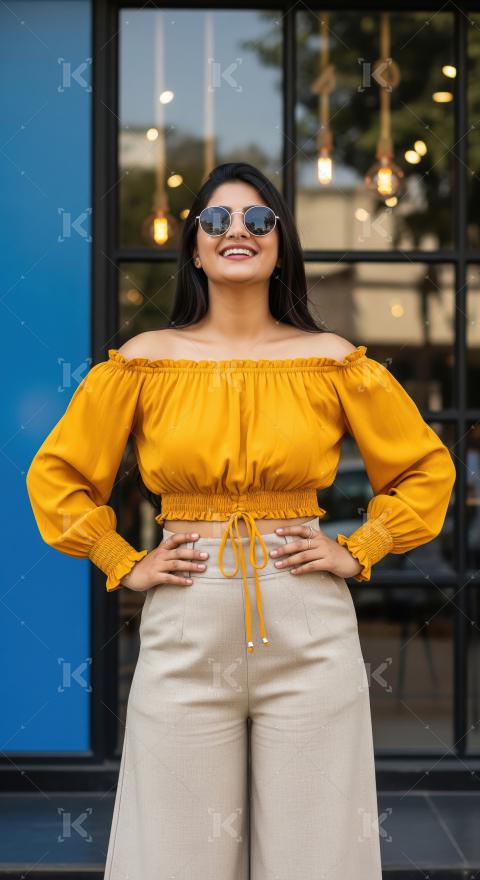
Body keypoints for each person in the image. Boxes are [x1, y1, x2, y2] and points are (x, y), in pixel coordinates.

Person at [25, 162, 456, 879]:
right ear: (194, 247)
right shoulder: (143, 363)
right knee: (174, 855)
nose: (237, 231)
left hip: (308, 626)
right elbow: (58, 475)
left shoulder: (332, 362)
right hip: (186, 620)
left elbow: (425, 468)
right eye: (216, 220)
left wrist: (360, 547)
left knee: (319, 857)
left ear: (280, 245)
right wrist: (122, 560)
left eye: (258, 220)